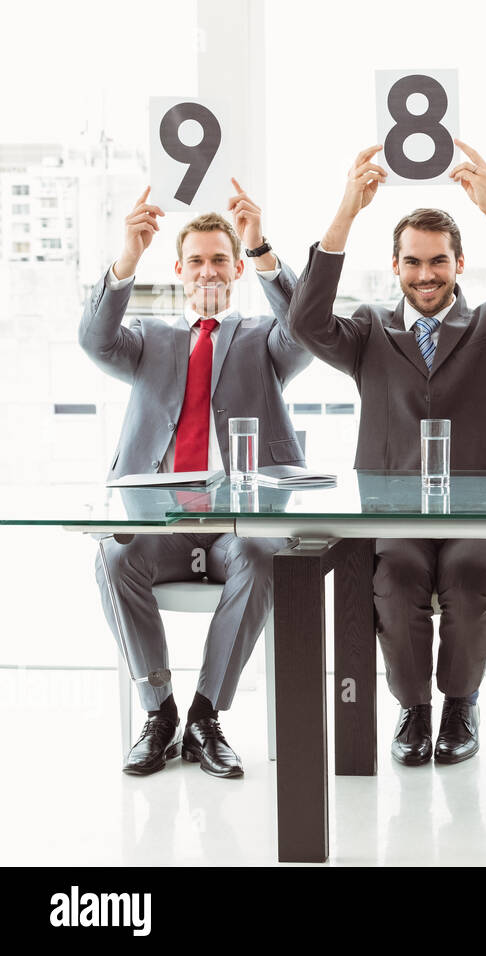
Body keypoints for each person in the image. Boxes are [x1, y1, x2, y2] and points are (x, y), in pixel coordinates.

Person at [288, 142, 486, 767]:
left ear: (460, 262)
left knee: (467, 576)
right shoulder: (367, 330)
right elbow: (304, 324)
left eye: (439, 261)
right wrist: (345, 214)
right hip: (394, 516)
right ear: (395, 265)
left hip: (477, 516)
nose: (426, 274)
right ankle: (414, 709)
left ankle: (461, 703)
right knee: (397, 577)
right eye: (413, 262)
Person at [80, 181, 309, 778]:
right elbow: (93, 339)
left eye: (221, 260)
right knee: (111, 557)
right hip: (161, 520)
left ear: (235, 270)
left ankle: (206, 716)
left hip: (238, 520)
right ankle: (160, 714)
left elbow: (307, 330)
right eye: (198, 261)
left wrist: (262, 249)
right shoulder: (150, 339)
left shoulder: (263, 339)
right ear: (180, 269)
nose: (209, 270)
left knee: (262, 556)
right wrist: (126, 259)